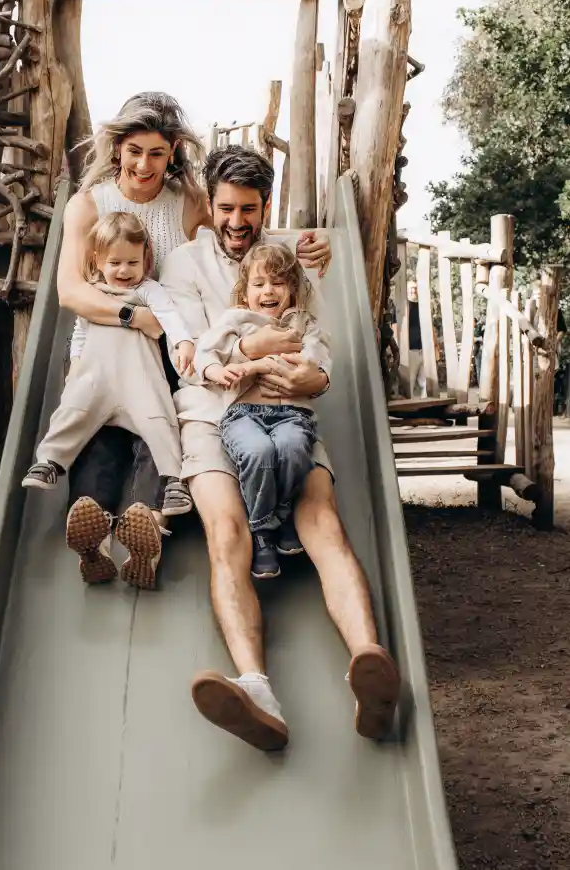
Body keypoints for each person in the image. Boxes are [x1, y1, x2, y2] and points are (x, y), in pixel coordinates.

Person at [161, 145, 400, 752]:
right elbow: (188, 356)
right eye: (225, 209)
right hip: (213, 418)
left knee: (322, 520)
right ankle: (257, 690)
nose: (237, 222)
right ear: (208, 207)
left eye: (248, 208)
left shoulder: (293, 256)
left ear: (265, 204)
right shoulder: (184, 265)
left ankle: (369, 666)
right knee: (227, 533)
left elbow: (322, 346)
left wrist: (313, 380)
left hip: (289, 413)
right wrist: (250, 351)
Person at [55, 93, 331, 585]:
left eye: (157, 153)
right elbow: (70, 289)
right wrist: (135, 318)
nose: (144, 164)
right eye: (134, 150)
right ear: (117, 148)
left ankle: (147, 534)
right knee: (102, 433)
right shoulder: (88, 204)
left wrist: (307, 244)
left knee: (154, 430)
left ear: (174, 151)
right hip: (110, 340)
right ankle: (92, 536)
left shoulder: (188, 201)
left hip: (170, 348)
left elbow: (242, 234)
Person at [22, 212, 196, 588]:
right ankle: (52, 465)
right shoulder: (94, 295)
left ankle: (168, 490)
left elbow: (169, 315)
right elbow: (81, 334)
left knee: (160, 422)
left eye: (132, 262)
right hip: (99, 379)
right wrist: (76, 370)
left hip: (139, 379)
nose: (123, 270)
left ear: (145, 260)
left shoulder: (149, 289)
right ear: (97, 263)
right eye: (114, 263)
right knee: (75, 415)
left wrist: (183, 341)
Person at [194, 242, 331, 579]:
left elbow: (315, 362)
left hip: (292, 415)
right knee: (258, 451)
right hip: (243, 414)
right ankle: (263, 531)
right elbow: (205, 353)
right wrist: (216, 370)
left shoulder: (304, 323)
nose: (268, 291)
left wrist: (256, 367)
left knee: (292, 447)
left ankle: (280, 513)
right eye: (259, 284)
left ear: (293, 289)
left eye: (278, 282)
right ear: (245, 292)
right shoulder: (235, 320)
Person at [407, 280, 426, 398]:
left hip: (423, 349)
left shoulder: (422, 307)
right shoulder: (402, 307)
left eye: (415, 288)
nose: (414, 290)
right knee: (410, 381)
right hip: (410, 350)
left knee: (425, 381)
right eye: (411, 288)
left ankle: (426, 406)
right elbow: (395, 327)